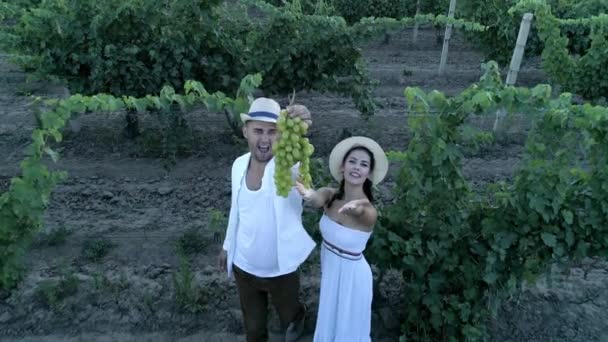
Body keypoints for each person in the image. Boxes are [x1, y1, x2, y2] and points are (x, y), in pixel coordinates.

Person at [218, 97, 316, 342]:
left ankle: (298, 316)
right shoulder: (238, 165)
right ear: (245, 132)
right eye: (258, 131)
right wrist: (228, 245)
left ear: (282, 135)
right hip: (245, 267)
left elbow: (300, 162)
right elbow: (236, 209)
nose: (264, 139)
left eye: (273, 132)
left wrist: (303, 121)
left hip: (281, 269)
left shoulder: (287, 167)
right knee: (253, 330)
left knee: (290, 319)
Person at [295, 136, 389, 342]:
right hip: (331, 273)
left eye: (364, 164)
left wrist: (355, 208)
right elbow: (315, 198)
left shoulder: (368, 209)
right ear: (342, 166)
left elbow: (363, 212)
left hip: (353, 279)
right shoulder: (330, 195)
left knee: (348, 330)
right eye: (352, 161)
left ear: (369, 173)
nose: (357, 167)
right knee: (331, 324)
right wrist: (307, 193)